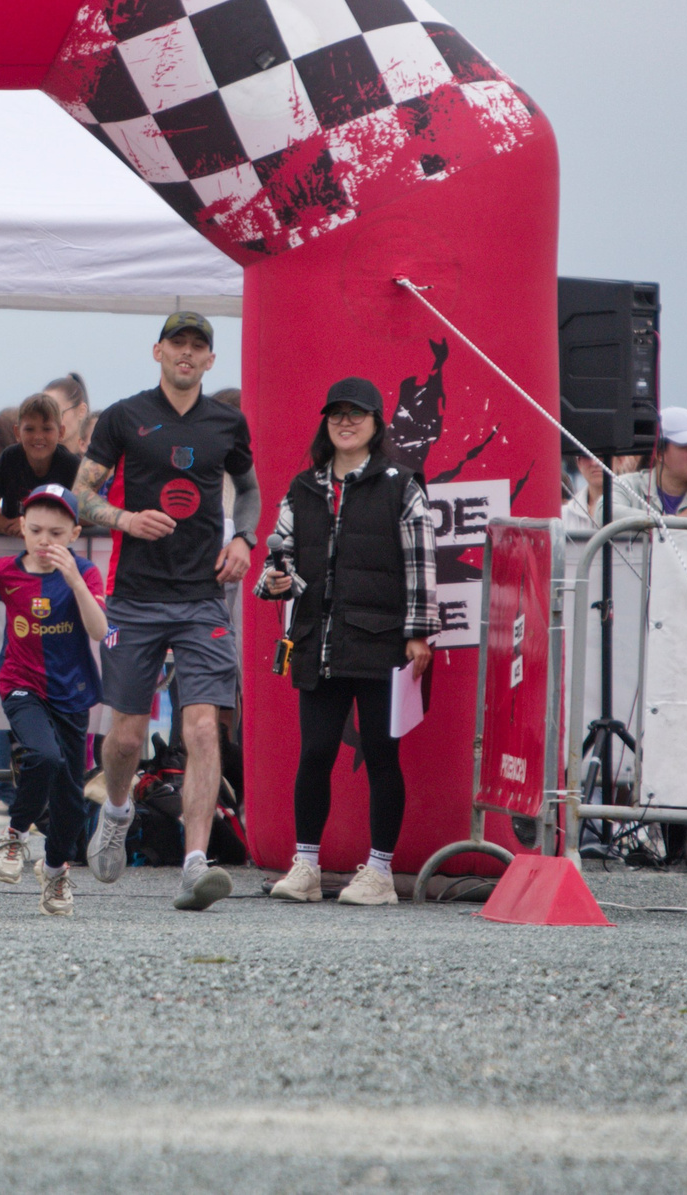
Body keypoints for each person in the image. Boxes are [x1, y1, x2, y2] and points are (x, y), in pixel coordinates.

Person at [75, 312, 259, 912]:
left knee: (203, 727)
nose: (186, 353)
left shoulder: (227, 421)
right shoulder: (127, 416)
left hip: (202, 597)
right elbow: (82, 495)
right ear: (157, 351)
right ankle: (119, 810)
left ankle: (194, 862)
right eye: (176, 343)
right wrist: (125, 519)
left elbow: (250, 490)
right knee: (126, 735)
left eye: (197, 346)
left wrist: (243, 541)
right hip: (135, 596)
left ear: (210, 360)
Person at [257, 376, 438, 908]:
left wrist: (419, 632)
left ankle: (380, 873)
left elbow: (422, 562)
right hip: (318, 640)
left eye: (356, 413)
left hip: (384, 642)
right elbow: (277, 555)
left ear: (377, 423)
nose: (345, 421)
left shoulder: (402, 484)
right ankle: (306, 866)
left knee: (384, 756)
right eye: (336, 413)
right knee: (314, 753)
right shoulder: (302, 486)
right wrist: (274, 581)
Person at [0, 484, 105, 915]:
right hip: (21, 682)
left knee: (69, 791)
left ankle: (57, 870)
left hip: (73, 691)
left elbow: (100, 631)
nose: (46, 541)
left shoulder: (85, 574)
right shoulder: (5, 570)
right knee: (43, 756)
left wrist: (74, 581)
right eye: (37, 530)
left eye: (57, 533)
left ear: (75, 534)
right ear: (22, 528)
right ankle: (14, 836)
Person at [596, 407, 687, 524]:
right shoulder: (629, 485)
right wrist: (672, 523)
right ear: (659, 453)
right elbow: (604, 513)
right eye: (686, 446)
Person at [0, 391, 82, 537]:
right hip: (13, 549)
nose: (38, 437)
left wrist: (31, 525)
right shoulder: (9, 458)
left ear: (61, 432)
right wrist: (9, 526)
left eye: (47, 429)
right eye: (29, 429)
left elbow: (89, 515)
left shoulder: (71, 464)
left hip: (55, 550)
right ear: (17, 432)